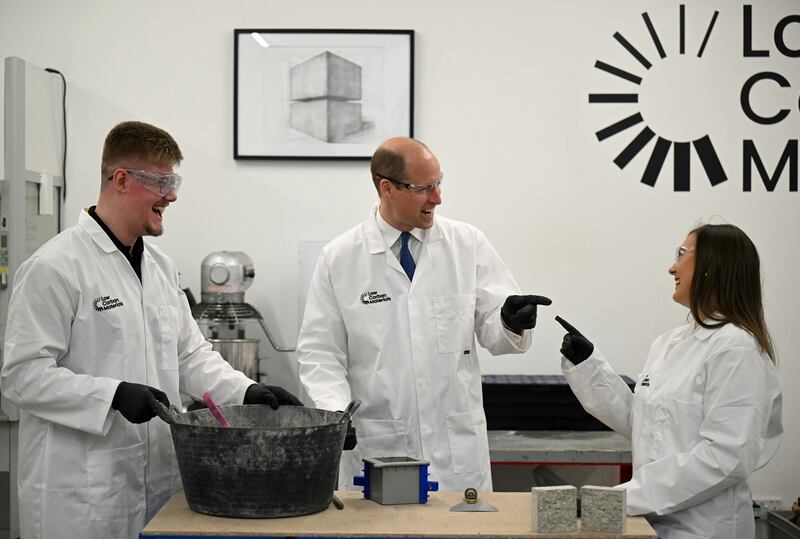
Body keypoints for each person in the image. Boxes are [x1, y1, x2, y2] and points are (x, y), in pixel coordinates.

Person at [0, 121, 302, 539]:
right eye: (161, 181)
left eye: (173, 180)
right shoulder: (54, 268)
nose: (172, 195)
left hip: (160, 485)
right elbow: (21, 377)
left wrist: (245, 392)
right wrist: (112, 395)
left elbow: (190, 355)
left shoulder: (159, 267)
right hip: (82, 492)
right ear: (121, 180)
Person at [297, 136, 551, 492]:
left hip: (455, 453)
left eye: (438, 183)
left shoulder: (467, 244)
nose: (438, 198)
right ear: (387, 188)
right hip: (378, 446)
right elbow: (320, 354)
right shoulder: (340, 258)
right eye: (424, 188)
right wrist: (337, 414)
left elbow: (494, 332)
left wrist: (509, 321)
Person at [556, 223, 783, 539]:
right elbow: (645, 423)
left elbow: (726, 457)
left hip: (705, 529)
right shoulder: (669, 343)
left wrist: (626, 497)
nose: (671, 267)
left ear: (712, 265)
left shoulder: (736, 348)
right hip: (653, 521)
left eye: (681, 254)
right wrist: (589, 366)